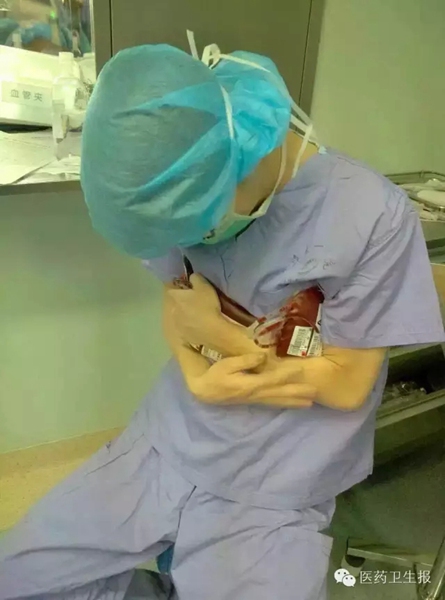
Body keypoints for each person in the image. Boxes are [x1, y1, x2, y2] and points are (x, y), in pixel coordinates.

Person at [1, 38, 444, 600]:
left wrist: (219, 336)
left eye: (201, 225)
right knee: (16, 575)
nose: (195, 240)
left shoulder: (371, 217)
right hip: (168, 442)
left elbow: (349, 382)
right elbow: (177, 301)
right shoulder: (171, 188)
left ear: (242, 156)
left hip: (275, 479)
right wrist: (191, 369)